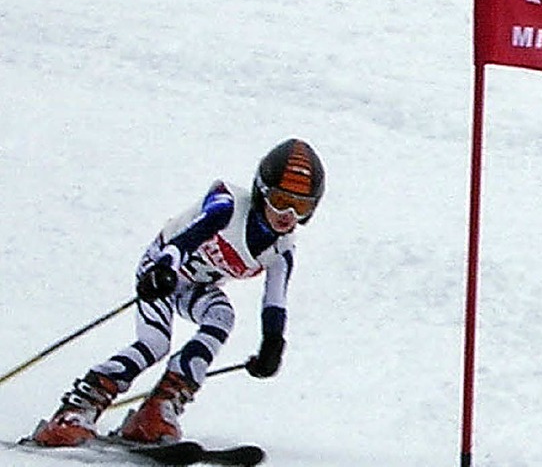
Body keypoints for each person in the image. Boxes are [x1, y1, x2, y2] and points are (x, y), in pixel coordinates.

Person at [32, 138, 326, 447]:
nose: (289, 214)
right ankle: (76, 410)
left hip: (197, 287)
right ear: (261, 192)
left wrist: (272, 343)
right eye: (280, 200)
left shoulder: (281, 250)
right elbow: (186, 239)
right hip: (162, 272)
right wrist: (164, 268)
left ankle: (158, 409)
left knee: (221, 317)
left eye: (302, 206)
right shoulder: (228, 209)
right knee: (155, 343)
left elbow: (275, 302)